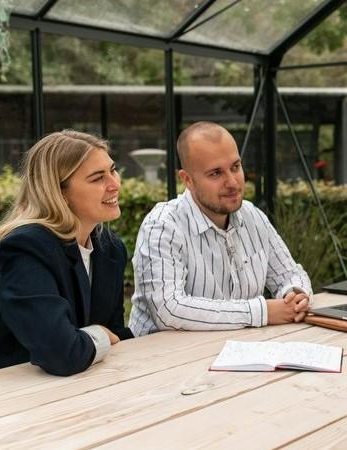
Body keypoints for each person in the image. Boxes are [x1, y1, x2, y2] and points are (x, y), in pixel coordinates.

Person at [0, 130, 133, 376]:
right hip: (18, 400)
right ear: (59, 193)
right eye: (97, 178)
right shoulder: (26, 247)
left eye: (112, 170)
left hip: (85, 386)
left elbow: (118, 335)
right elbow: (62, 353)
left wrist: (94, 338)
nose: (115, 184)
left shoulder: (110, 249)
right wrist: (99, 334)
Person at [129, 122, 312, 336]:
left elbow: (289, 274)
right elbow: (168, 309)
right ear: (187, 180)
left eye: (235, 167)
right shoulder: (162, 226)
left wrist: (296, 295)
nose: (233, 182)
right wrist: (261, 312)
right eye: (216, 173)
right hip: (161, 362)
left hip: (236, 353)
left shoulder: (252, 216)